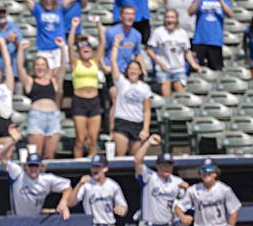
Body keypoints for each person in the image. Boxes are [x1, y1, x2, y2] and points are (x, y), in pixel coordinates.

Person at [18, 38, 65, 160]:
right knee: (35, 155)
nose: (40, 67)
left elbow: (63, 68)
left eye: (42, 65)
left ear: (47, 67)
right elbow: (19, 67)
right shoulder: (30, 82)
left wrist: (62, 49)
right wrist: (21, 50)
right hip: (37, 117)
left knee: (49, 155)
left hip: (53, 117)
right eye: (37, 65)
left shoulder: (53, 81)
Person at [21, 0, 77, 79]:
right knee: (46, 77)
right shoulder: (38, 9)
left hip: (59, 48)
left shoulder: (59, 8)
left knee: (57, 76)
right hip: (44, 48)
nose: (48, 1)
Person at [68, 16, 105, 158]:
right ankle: (77, 165)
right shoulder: (75, 63)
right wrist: (73, 27)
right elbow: (70, 44)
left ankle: (93, 165)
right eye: (83, 47)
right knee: (80, 139)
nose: (86, 49)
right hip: (79, 101)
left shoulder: (95, 61)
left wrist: (98, 23)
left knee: (93, 140)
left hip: (94, 101)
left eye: (88, 47)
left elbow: (102, 42)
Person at [109, 33, 152, 156]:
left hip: (137, 123)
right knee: (120, 155)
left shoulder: (145, 88)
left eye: (136, 69)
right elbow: (113, 62)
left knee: (136, 158)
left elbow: (147, 110)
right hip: (122, 121)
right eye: (131, 68)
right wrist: (116, 45)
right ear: (127, 71)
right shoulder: (122, 82)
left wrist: (145, 129)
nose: (133, 71)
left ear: (140, 71)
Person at [147, 9, 200, 97]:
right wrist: (159, 63)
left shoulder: (182, 33)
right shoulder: (158, 32)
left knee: (182, 95)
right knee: (166, 94)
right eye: (167, 17)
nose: (170, 20)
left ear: (176, 19)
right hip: (163, 69)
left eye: (172, 17)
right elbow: (149, 50)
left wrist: (193, 64)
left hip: (179, 69)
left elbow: (187, 51)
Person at [190, 0, 233, 71]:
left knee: (216, 70)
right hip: (199, 41)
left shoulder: (223, 0)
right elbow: (190, 12)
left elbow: (230, 14)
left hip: (215, 41)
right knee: (196, 70)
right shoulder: (200, 0)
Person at [104, 6, 143, 83]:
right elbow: (101, 51)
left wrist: (143, 70)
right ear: (121, 17)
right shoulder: (110, 32)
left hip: (127, 72)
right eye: (127, 14)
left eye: (132, 14)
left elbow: (137, 54)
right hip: (112, 70)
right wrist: (103, 66)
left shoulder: (137, 34)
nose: (130, 17)